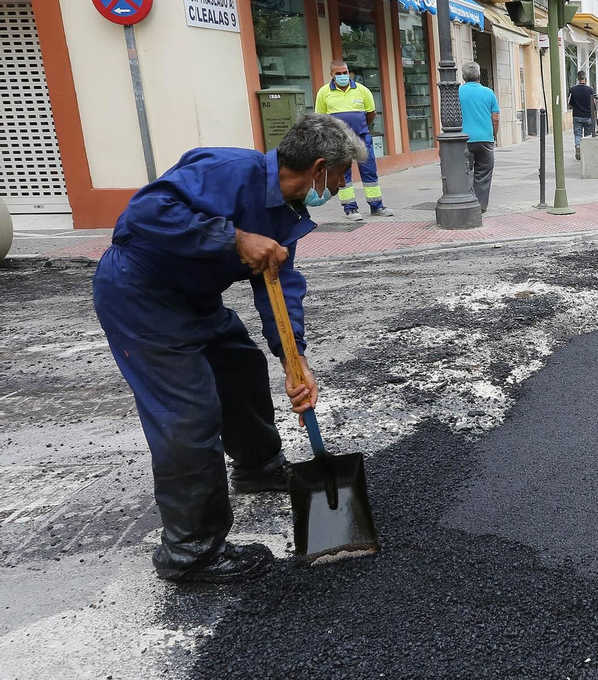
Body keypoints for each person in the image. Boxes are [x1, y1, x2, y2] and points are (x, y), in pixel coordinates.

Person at [92, 115, 365, 583]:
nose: (342, 187)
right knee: (188, 415)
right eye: (342, 175)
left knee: (241, 368)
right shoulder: (228, 170)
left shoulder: (287, 210)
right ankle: (191, 552)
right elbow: (144, 214)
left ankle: (259, 466)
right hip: (141, 295)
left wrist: (295, 358)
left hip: (197, 300)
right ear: (320, 167)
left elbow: (279, 284)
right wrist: (235, 238)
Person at [313, 59, 393, 221]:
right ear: (331, 75)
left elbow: (371, 113)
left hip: (361, 138)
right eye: (338, 73)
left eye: (345, 72)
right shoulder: (324, 92)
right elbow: (320, 118)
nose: (343, 76)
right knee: (343, 175)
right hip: (338, 142)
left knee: (369, 172)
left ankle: (377, 206)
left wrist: (359, 128)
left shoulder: (362, 90)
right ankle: (350, 208)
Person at [458, 61, 499, 212]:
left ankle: (467, 203)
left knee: (465, 172)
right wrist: (494, 135)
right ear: (479, 76)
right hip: (485, 139)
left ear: (463, 76)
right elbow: (495, 118)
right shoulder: (489, 93)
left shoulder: (457, 92)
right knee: (484, 173)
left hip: (463, 140)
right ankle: (481, 205)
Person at [568, 72, 596, 160]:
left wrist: (576, 106)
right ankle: (586, 152)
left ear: (578, 79)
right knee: (588, 134)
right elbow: (594, 103)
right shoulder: (590, 90)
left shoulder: (572, 90)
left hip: (577, 115)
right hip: (588, 115)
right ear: (585, 79)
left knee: (577, 134)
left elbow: (569, 103)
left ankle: (578, 146)